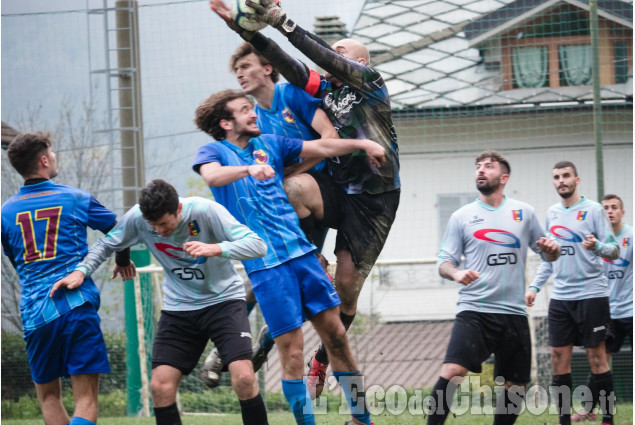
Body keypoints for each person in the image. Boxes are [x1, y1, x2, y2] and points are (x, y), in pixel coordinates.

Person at [210, 0, 401, 398]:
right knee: (289, 228)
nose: (335, 55)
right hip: (334, 189)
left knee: (346, 289)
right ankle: (297, 258)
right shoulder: (324, 91)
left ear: (361, 62)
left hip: (375, 199)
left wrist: (281, 20)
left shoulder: (370, 83)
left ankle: (323, 361)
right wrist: (244, 30)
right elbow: (292, 63)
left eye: (343, 52)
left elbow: (312, 52)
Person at [192, 89, 385, 425]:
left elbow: (323, 146)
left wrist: (363, 145)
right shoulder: (214, 151)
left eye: (251, 108)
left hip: (303, 255)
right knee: (292, 352)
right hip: (266, 267)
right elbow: (211, 176)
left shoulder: (270, 143)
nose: (253, 114)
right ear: (225, 122)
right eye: (243, 110)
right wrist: (248, 170)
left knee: (337, 337)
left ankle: (362, 419)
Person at [51, 179, 269, 425]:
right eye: (153, 225)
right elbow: (106, 244)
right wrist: (81, 271)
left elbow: (258, 245)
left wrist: (216, 248)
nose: (159, 231)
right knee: (160, 385)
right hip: (179, 308)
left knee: (244, 378)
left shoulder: (205, 211)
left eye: (164, 224)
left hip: (224, 301)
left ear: (178, 209)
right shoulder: (137, 218)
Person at [199, 41, 342, 389]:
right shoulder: (253, 121)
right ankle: (235, 343)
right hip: (289, 209)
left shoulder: (292, 95)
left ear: (267, 67)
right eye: (236, 70)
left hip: (325, 190)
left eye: (246, 66)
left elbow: (330, 138)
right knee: (267, 272)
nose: (240, 73)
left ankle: (320, 364)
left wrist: (285, 174)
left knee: (335, 296)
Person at [1, 131, 134, 425]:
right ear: (45, 160)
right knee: (85, 400)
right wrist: (123, 260)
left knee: (49, 397)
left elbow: (15, 259)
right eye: (53, 151)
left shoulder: (5, 212)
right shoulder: (75, 198)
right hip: (75, 306)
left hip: (34, 313)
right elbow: (119, 231)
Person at [428, 150, 560, 425]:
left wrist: (553, 249)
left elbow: (548, 253)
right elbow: (444, 262)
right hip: (475, 309)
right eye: (478, 166)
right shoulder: (461, 216)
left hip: (514, 312)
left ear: (504, 177)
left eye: (488, 166)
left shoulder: (524, 212)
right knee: (452, 371)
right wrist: (456, 272)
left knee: (516, 385)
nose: (480, 170)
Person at [525, 161, 619, 425]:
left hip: (592, 295)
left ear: (577, 180)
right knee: (558, 359)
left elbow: (613, 250)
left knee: (597, 358)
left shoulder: (594, 210)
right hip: (561, 298)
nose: (561, 180)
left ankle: (608, 419)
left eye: (566, 176)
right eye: (556, 177)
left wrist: (597, 246)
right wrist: (534, 286)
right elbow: (549, 258)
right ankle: (564, 420)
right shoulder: (553, 214)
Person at [571, 193, 633, 422]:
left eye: (614, 207)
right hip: (607, 312)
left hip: (632, 311)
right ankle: (589, 408)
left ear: (622, 212)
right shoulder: (593, 240)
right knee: (600, 363)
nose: (609, 211)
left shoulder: (631, 236)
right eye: (605, 207)